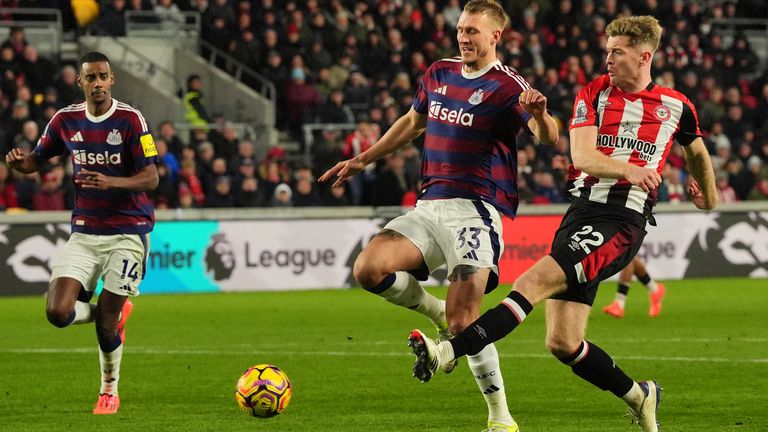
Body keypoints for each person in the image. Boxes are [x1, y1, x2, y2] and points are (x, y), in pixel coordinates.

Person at [407, 16, 717, 432]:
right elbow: (583, 158)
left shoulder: (676, 105)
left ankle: (447, 352)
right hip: (581, 214)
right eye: (606, 50)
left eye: (616, 52)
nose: (606, 58)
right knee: (562, 343)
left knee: (530, 284)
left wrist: (709, 199)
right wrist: (629, 169)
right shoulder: (593, 94)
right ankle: (641, 396)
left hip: (621, 222)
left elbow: (696, 148)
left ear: (645, 56)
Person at [319, 2, 558, 431]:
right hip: (430, 206)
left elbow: (549, 136)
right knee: (368, 268)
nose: (464, 37)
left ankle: (500, 416)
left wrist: (539, 113)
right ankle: (432, 312)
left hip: (476, 212)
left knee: (464, 322)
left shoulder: (508, 86)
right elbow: (413, 123)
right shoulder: (438, 72)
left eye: (473, 32)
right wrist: (364, 159)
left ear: (495, 37)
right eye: (461, 29)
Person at [5, 51, 159, 415]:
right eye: (91, 78)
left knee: (105, 329)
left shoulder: (131, 120)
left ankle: (109, 390)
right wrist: (19, 164)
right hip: (85, 232)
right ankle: (114, 313)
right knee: (57, 312)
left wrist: (112, 182)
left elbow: (151, 177)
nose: (98, 83)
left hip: (128, 231)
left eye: (103, 76)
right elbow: (36, 160)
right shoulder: (64, 120)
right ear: (81, 82)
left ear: (112, 80)